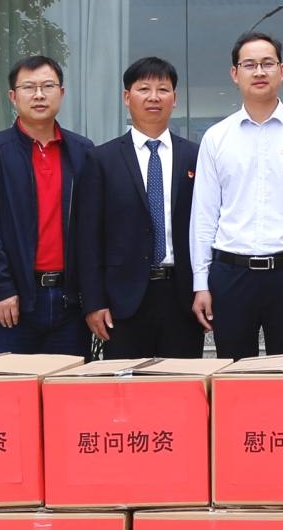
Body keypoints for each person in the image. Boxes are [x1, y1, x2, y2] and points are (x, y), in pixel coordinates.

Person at [190, 32, 283, 359]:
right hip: (230, 274)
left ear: (282, 71)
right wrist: (201, 282)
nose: (259, 72)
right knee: (233, 373)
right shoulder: (216, 138)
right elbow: (204, 216)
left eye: (267, 64)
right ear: (234, 73)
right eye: (249, 64)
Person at [0, 55, 94, 356]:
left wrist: (92, 297)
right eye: (29, 87)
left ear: (61, 93)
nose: (39, 95)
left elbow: (93, 227)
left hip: (71, 302)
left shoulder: (83, 151)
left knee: (67, 384)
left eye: (48, 86)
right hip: (14, 300)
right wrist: (0, 289)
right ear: (13, 96)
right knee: (12, 384)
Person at [77, 58, 204, 359]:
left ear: (175, 98)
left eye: (163, 89)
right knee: (128, 384)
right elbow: (87, 237)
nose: (153, 97)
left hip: (182, 296)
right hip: (123, 299)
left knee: (182, 382)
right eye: (144, 89)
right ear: (127, 97)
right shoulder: (101, 160)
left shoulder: (196, 156)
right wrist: (93, 301)